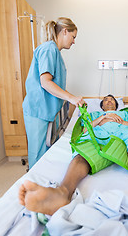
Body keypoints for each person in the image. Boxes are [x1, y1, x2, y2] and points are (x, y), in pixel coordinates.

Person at [22, 17, 85, 169]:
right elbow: (45, 82)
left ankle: (43, 187)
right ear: (64, 31)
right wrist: (71, 98)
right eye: (73, 36)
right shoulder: (49, 49)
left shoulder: (55, 52)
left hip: (46, 111)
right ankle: (32, 188)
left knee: (46, 155)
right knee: (38, 157)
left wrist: (73, 99)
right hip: (38, 111)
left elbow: (57, 86)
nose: (74, 41)